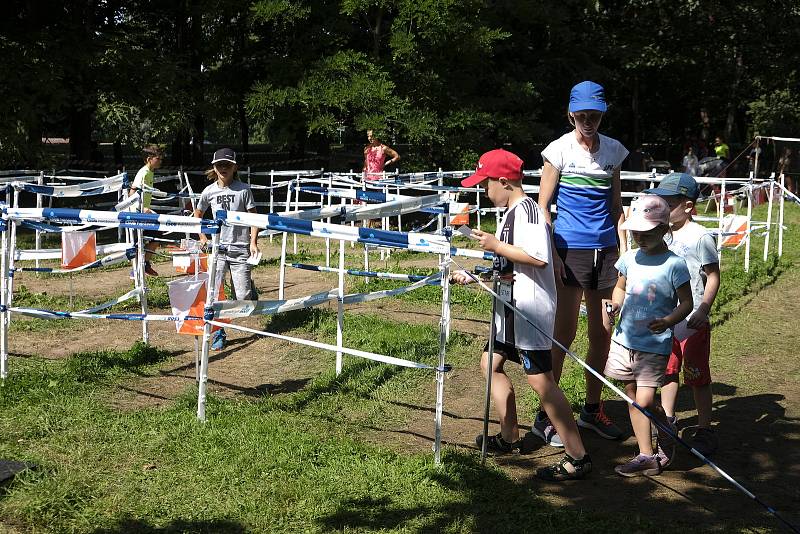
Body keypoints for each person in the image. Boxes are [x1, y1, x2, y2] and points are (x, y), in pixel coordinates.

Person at [452, 149, 592, 480]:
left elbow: (538, 258)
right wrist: (476, 273)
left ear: (504, 181)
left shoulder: (527, 213)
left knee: (541, 382)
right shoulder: (511, 213)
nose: (484, 191)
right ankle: (510, 435)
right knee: (491, 363)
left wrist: (495, 246)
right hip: (509, 310)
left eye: (486, 184)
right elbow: (509, 264)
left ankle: (578, 455)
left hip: (528, 312)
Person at [537, 80, 629, 445]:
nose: (588, 120)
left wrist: (624, 252)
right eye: (582, 114)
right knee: (564, 334)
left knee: (601, 332)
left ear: (602, 113)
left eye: (595, 113)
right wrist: (552, 254)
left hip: (605, 252)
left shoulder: (614, 152)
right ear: (571, 113)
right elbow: (543, 207)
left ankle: (593, 409)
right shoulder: (558, 150)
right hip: (569, 250)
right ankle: (547, 414)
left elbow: (616, 206)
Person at [604, 194, 693, 476]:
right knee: (632, 396)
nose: (640, 237)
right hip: (624, 339)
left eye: (647, 232)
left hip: (654, 345)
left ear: (664, 229)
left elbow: (687, 303)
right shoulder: (629, 258)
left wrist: (668, 320)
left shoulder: (674, 264)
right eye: (636, 232)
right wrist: (614, 304)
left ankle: (664, 429)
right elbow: (620, 287)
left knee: (642, 401)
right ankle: (646, 453)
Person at [645, 173, 721, 456]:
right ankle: (667, 422)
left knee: (697, 375)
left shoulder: (700, 236)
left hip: (691, 322)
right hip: (665, 319)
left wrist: (703, 309)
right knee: (667, 373)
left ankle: (704, 427)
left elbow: (713, 276)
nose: (662, 206)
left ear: (688, 206)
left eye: (668, 202)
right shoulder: (659, 234)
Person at [193, 148, 260, 351]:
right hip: (218, 249)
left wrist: (253, 241)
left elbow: (255, 218)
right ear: (214, 168)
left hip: (240, 249)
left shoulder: (243, 190)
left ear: (234, 167)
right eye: (219, 165)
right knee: (214, 294)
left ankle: (250, 289)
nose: (223, 168)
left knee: (243, 299)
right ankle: (219, 332)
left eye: (227, 165)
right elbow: (197, 214)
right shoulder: (208, 192)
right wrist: (202, 236)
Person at [129, 144, 164, 277]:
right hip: (137, 214)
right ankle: (136, 270)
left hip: (144, 212)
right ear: (149, 159)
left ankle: (145, 264)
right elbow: (132, 193)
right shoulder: (143, 173)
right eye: (158, 158)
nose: (160, 161)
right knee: (139, 241)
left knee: (157, 235)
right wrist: (142, 208)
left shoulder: (150, 172)